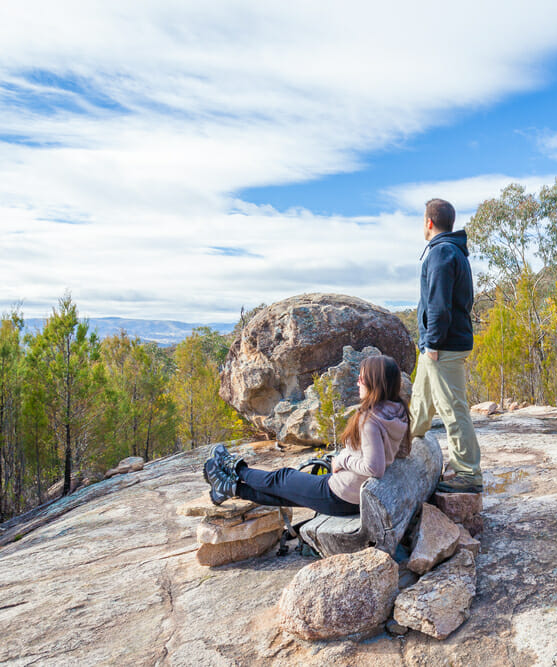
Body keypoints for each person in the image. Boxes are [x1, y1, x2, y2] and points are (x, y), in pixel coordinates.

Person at [203, 354, 411, 514]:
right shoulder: (397, 411)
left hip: (341, 496)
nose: (358, 382)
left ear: (375, 383)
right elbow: (394, 453)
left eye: (362, 378)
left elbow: (375, 468)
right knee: (287, 494)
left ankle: (234, 467)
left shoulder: (370, 420)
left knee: (283, 477)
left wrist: (342, 460)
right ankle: (229, 488)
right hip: (354, 496)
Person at [410, 198, 483, 494]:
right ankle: (405, 450)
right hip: (438, 345)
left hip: (443, 346)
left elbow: (439, 305)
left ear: (429, 222)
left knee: (453, 410)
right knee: (421, 403)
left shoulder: (441, 253)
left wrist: (433, 342)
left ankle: (468, 474)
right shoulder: (452, 251)